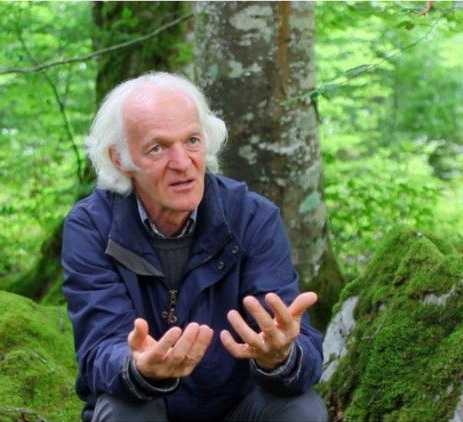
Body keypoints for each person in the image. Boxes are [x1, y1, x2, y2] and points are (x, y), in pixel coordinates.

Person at [62, 72, 327, 422]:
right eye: (158, 148)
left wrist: (281, 356)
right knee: (123, 411)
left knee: (302, 409)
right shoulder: (91, 227)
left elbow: (295, 344)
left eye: (192, 141)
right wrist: (137, 366)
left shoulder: (252, 217)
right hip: (149, 405)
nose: (182, 163)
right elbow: (99, 349)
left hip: (237, 410)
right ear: (120, 160)